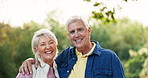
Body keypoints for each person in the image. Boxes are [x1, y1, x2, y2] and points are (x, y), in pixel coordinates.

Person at [19, 16, 125, 78]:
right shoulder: (65, 56)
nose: (76, 35)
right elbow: (47, 60)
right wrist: (31, 60)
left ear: (88, 30)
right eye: (72, 32)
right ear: (69, 35)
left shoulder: (109, 57)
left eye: (80, 30)